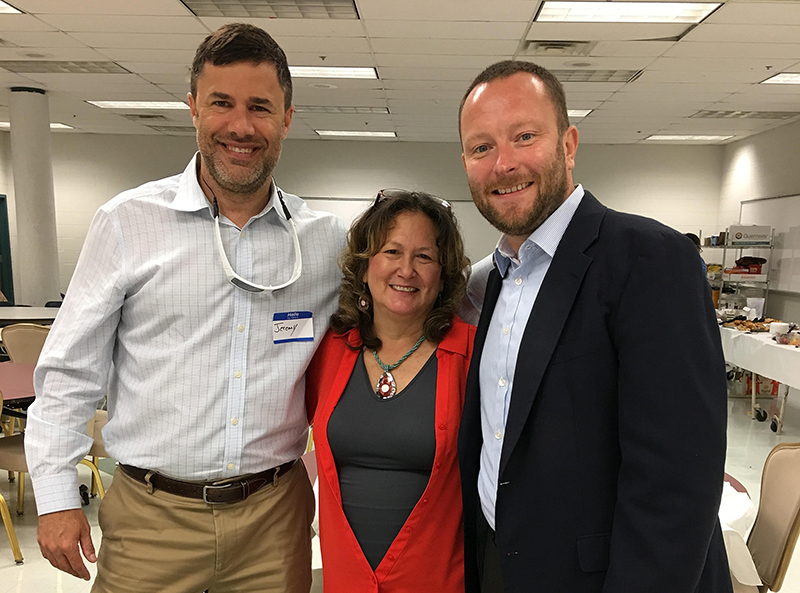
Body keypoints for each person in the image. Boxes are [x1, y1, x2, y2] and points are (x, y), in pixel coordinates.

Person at [25, 23, 345, 593]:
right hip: (152, 517)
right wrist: (53, 495)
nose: (241, 126)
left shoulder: (322, 243)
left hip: (274, 519)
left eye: (260, 107)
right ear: (194, 108)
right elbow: (70, 371)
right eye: (222, 103)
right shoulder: (127, 223)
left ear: (287, 118)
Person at [457, 60, 731, 593]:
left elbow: (676, 486)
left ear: (568, 143)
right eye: (481, 147)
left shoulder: (651, 260)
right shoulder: (490, 282)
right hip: (501, 564)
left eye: (524, 136)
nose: (503, 164)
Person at [306, 189, 475, 592]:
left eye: (424, 257)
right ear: (364, 267)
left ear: (443, 273)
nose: (406, 270)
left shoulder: (473, 354)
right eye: (392, 252)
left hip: (439, 581)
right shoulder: (328, 350)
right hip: (345, 580)